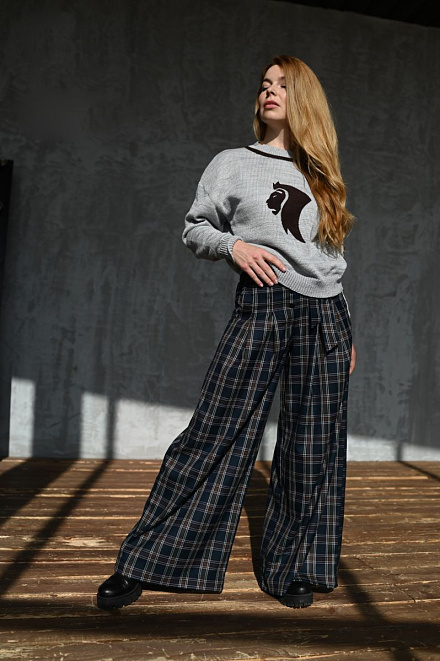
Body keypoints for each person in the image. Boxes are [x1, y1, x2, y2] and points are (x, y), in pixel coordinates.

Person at [97, 54, 356, 611]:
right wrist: (232, 246)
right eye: (264, 84)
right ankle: (148, 559)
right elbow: (195, 227)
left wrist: (347, 329)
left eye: (282, 85)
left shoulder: (321, 173)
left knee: (313, 446)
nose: (269, 91)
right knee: (213, 431)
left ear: (304, 98)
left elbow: (331, 261)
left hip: (326, 315)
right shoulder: (233, 163)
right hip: (264, 302)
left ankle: (292, 566)